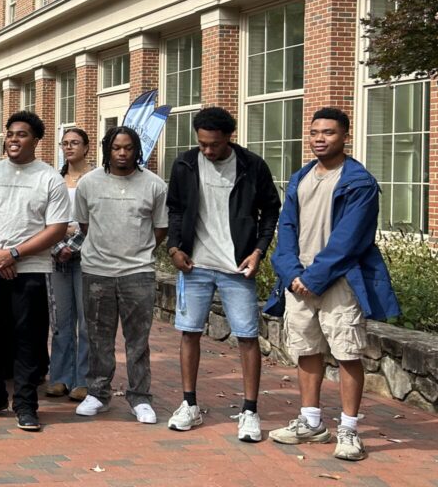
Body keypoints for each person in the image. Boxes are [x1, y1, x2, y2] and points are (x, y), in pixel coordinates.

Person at [265, 108, 400, 461]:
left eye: (328, 132)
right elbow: (288, 229)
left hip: (340, 281)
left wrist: (313, 277)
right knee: (306, 349)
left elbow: (350, 239)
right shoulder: (300, 178)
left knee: (346, 352)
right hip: (299, 282)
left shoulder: (359, 182)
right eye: (314, 133)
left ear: (345, 137)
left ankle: (349, 429)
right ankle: (311, 423)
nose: (319, 138)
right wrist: (291, 272)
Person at [164, 107, 281, 442]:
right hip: (195, 265)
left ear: (229, 137)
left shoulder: (252, 165)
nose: (207, 151)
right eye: (202, 144)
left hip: (237, 267)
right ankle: (189, 405)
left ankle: (249, 411)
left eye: (213, 145)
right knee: (189, 333)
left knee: (246, 336)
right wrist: (174, 247)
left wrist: (259, 251)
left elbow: (270, 209)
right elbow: (175, 208)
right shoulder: (186, 163)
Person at [0, 111, 70, 432]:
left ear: (36, 140)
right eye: (10, 134)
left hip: (30, 270)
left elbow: (58, 228)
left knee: (27, 340)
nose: (14, 140)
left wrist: (15, 254)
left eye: (21, 134)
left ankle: (25, 404)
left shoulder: (49, 178)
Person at [73, 126, 168, 425]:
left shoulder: (154, 185)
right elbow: (85, 224)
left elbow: (160, 227)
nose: (123, 153)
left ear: (137, 150)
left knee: (137, 340)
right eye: (117, 148)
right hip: (97, 271)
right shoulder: (89, 183)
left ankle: (140, 398)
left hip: (137, 272)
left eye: (128, 148)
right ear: (107, 149)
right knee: (98, 337)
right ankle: (98, 393)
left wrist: (137, 249)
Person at [45, 127, 92, 403]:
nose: (69, 147)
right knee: (61, 319)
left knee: (86, 320)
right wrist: (58, 243)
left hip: (87, 256)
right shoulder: (55, 179)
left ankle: (83, 379)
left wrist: (74, 242)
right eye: (65, 143)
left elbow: (98, 220)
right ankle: (60, 376)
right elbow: (45, 217)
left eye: (75, 143)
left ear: (86, 147)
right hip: (56, 255)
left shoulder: (96, 179)